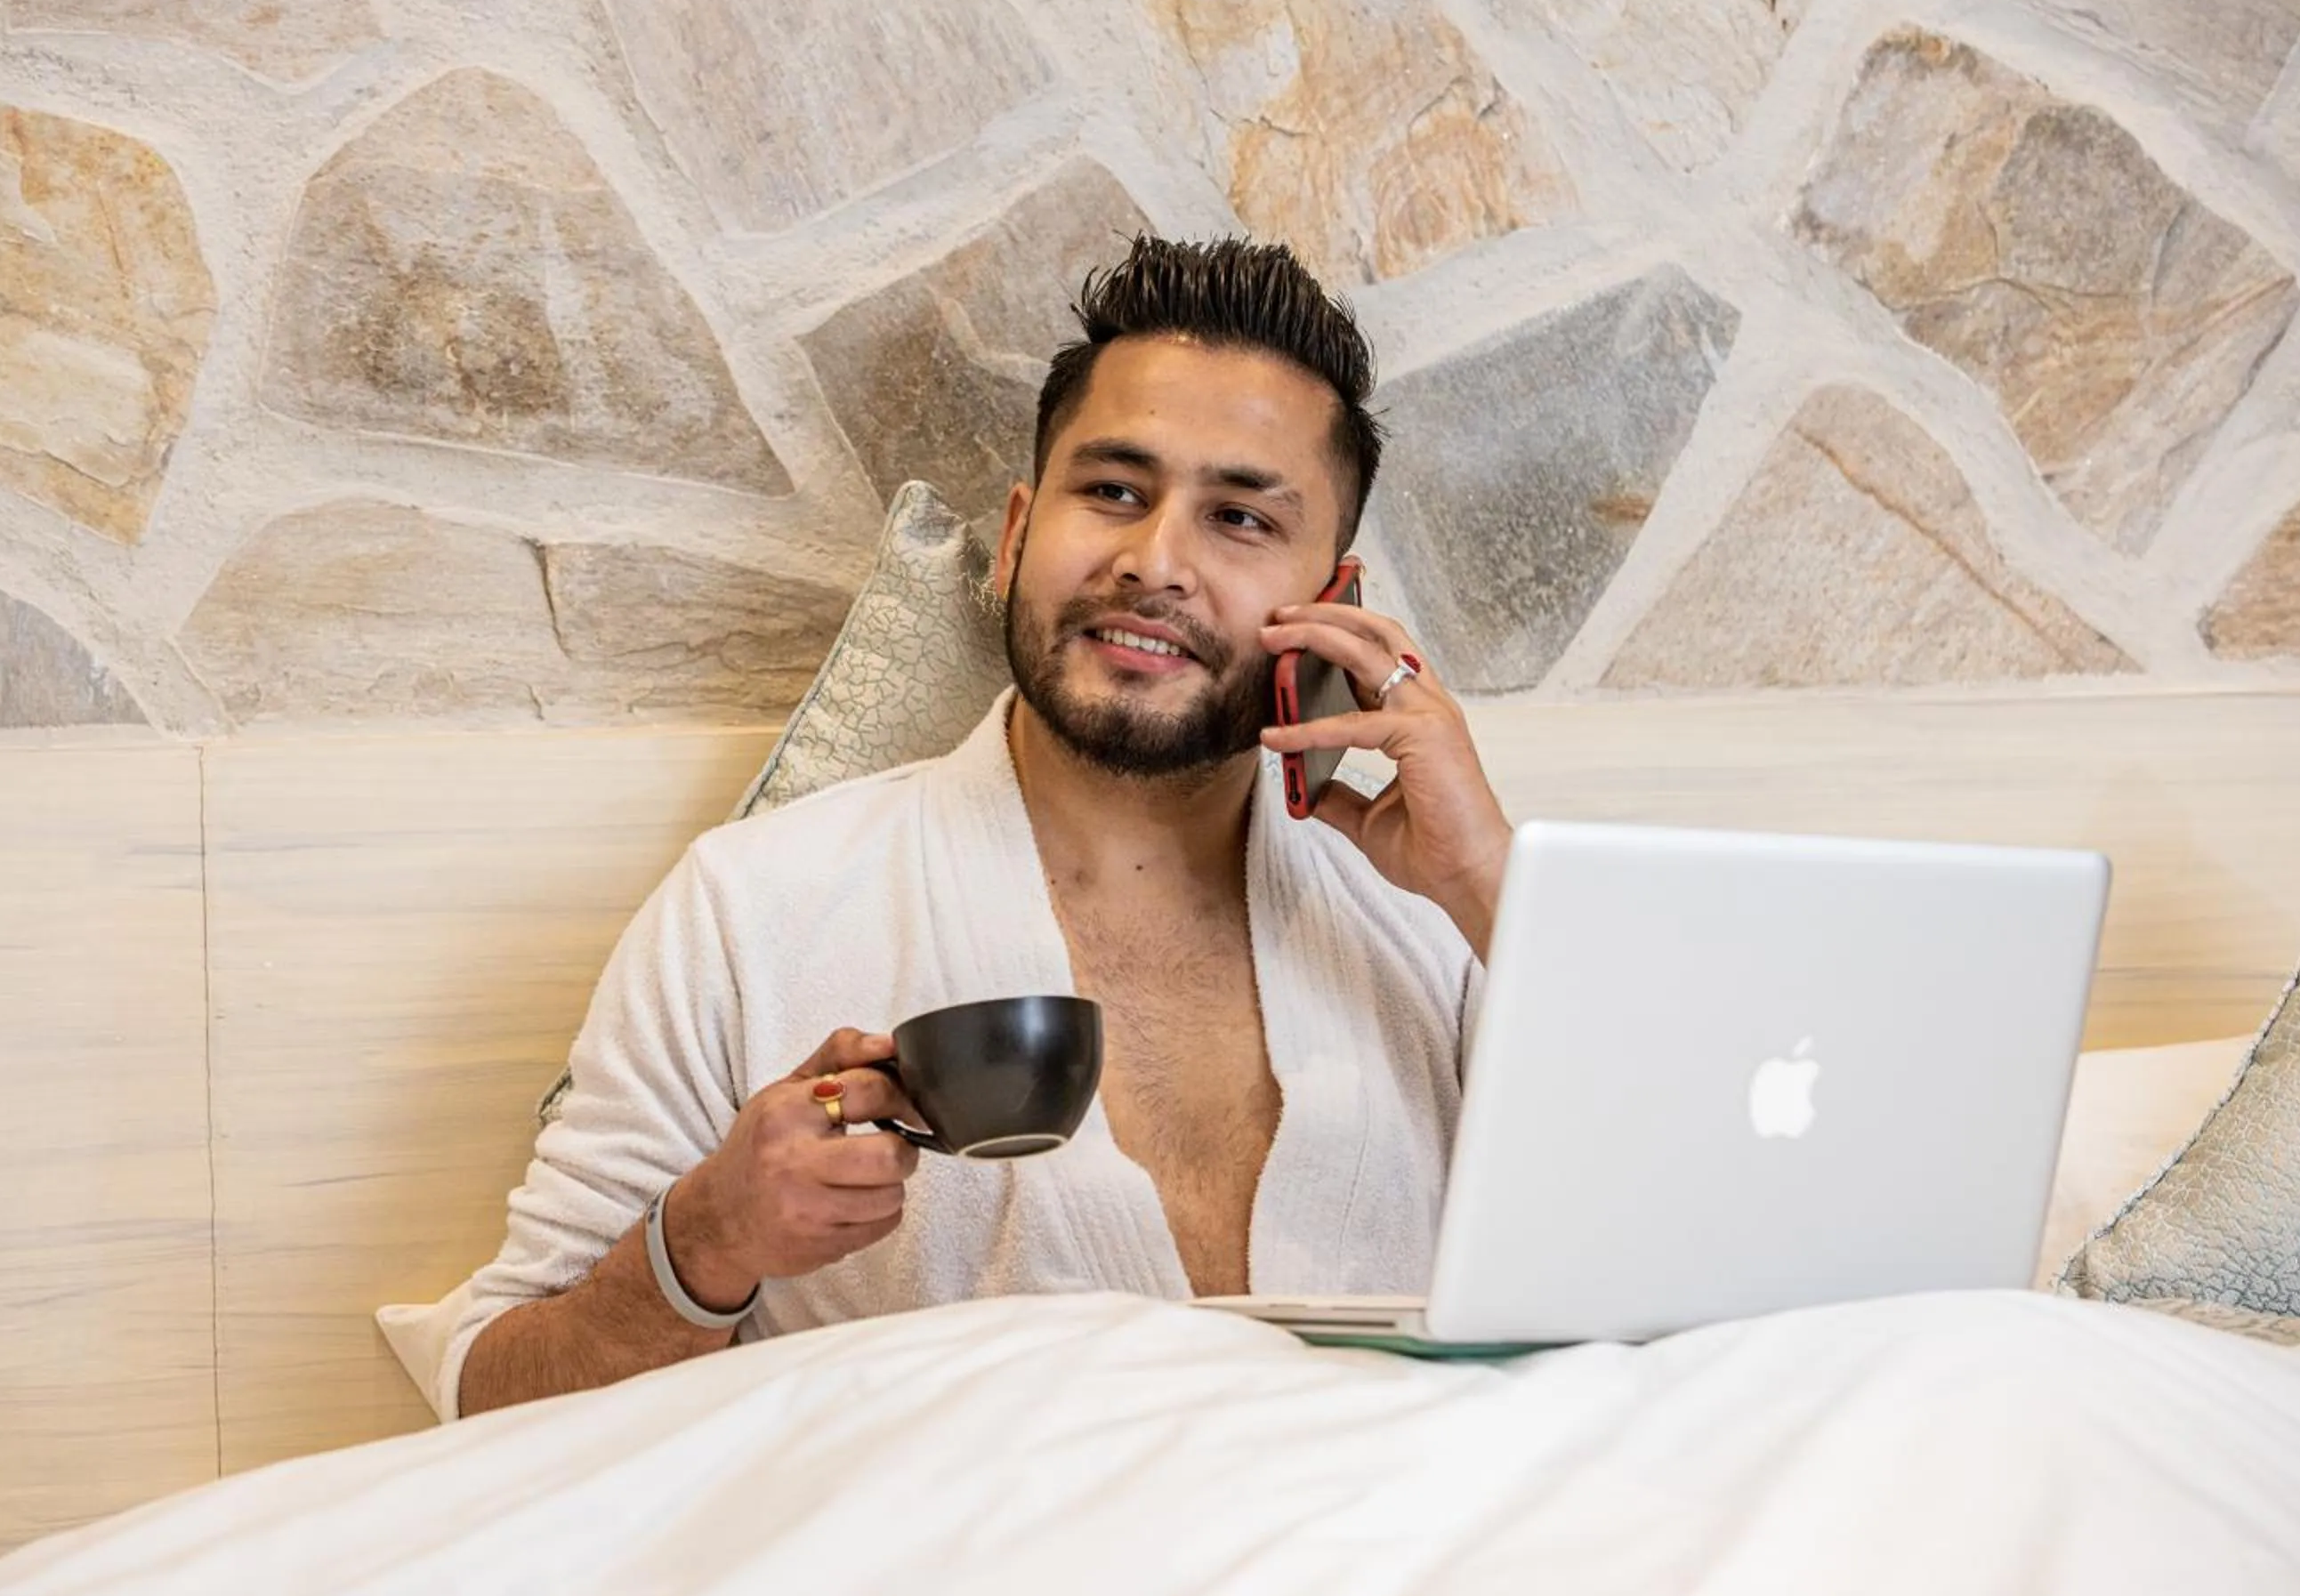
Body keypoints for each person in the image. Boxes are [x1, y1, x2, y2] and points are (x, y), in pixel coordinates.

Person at [439, 235, 1516, 1419]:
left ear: (1336, 608)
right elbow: (495, 1397)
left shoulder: (1453, 927)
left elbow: (1711, 1275)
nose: (1154, 563)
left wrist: (1491, 886)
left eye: (1241, 520)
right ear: (1015, 541)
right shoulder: (758, 912)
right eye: (1113, 491)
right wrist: (704, 1242)